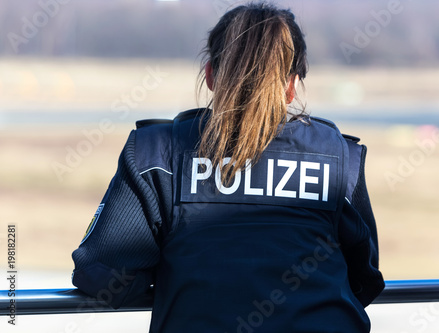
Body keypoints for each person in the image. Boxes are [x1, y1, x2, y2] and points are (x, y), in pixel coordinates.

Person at [71, 2, 384, 332]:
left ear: (209, 75)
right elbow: (365, 278)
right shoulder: (339, 157)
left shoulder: (156, 153)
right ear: (291, 86)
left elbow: (103, 276)